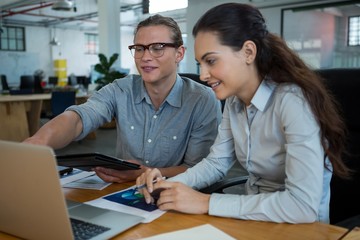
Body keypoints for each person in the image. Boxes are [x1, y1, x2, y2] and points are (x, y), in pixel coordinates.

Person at [136, 3, 350, 224]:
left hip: (298, 228)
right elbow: (217, 163)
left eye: (211, 61)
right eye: (200, 64)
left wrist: (206, 203)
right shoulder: (234, 100)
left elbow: (302, 206)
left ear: (248, 52)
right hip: (252, 220)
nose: (204, 74)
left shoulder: (292, 101)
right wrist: (169, 183)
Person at [24, 14, 222, 183]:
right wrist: (39, 141)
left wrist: (145, 173)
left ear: (179, 53)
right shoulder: (121, 89)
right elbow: (78, 119)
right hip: (123, 193)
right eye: (139, 48)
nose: (145, 57)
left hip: (177, 197)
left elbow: (201, 170)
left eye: (158, 47)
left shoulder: (202, 100)